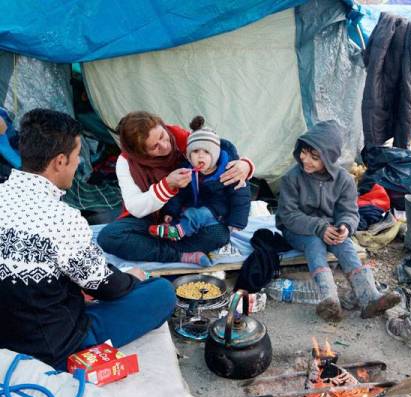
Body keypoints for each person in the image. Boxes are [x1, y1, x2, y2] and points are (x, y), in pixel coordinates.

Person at [0, 108, 176, 369]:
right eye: (75, 157)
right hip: (54, 348)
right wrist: (131, 279)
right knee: (161, 292)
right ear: (60, 161)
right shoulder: (63, 218)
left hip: (8, 331)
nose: (79, 163)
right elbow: (106, 287)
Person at [276, 120, 402, 321]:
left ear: (328, 158)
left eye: (314, 157)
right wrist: (319, 227)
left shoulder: (344, 180)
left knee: (345, 244)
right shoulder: (292, 178)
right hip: (298, 229)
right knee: (314, 242)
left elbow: (350, 212)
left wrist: (345, 226)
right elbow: (288, 215)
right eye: (304, 152)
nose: (305, 159)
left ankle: (369, 296)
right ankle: (329, 299)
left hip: (330, 228)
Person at [97, 111, 254, 264]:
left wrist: (245, 164)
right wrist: (167, 185)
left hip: (193, 215)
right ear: (141, 153)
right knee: (109, 237)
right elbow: (135, 208)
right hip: (153, 218)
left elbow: (215, 145)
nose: (165, 146)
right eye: (154, 147)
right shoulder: (126, 162)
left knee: (219, 235)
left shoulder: (179, 137)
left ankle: (159, 246)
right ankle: (181, 254)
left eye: (162, 136)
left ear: (163, 126)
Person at [148, 117, 250, 254]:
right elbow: (179, 193)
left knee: (198, 215)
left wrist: (237, 222)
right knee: (188, 214)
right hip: (194, 210)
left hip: (218, 213)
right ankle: (171, 233)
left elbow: (241, 195)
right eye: (195, 152)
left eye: (206, 152)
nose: (200, 156)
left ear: (215, 155)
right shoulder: (187, 170)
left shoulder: (230, 171)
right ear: (189, 155)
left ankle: (177, 233)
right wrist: (170, 212)